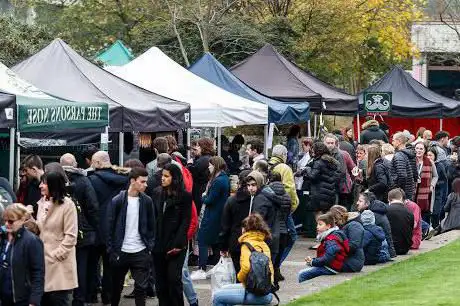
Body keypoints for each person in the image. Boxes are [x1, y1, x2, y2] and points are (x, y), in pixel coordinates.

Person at [107, 167, 155, 306]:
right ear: (133, 181)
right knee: (116, 288)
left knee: (141, 288)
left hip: (140, 251)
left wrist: (149, 247)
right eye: (142, 182)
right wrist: (112, 250)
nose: (146, 185)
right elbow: (110, 227)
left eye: (146, 182)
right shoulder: (118, 200)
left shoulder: (147, 201)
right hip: (121, 251)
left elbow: (152, 226)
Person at [87, 151, 129, 304]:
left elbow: (89, 205)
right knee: (111, 265)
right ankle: (108, 297)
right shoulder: (125, 180)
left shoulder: (91, 180)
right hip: (116, 227)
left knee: (92, 263)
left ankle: (91, 294)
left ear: (97, 163)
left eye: (92, 162)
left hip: (95, 227)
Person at [60, 154, 100, 306]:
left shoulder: (57, 180)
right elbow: (93, 206)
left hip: (61, 231)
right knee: (81, 266)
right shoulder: (84, 180)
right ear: (76, 164)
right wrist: (93, 226)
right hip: (83, 231)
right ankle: (79, 298)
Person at [212, 213, 274, 306]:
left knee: (217, 296)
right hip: (267, 291)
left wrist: (240, 278)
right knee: (224, 289)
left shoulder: (246, 245)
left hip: (254, 292)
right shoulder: (263, 244)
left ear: (245, 229)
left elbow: (246, 268)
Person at [37, 170, 78, 305]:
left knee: (59, 301)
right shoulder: (41, 203)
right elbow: (40, 229)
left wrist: (55, 255)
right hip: (43, 263)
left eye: (44, 183)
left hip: (60, 264)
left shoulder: (68, 205)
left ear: (53, 185)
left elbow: (71, 236)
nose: (40, 186)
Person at [153, 163, 192, 306]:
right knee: (161, 282)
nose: (162, 179)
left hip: (176, 243)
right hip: (159, 243)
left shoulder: (185, 196)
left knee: (173, 279)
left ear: (174, 178)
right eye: (162, 176)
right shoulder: (158, 193)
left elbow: (185, 221)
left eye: (166, 176)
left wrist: (178, 244)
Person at [192, 157, 230, 280]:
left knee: (202, 240)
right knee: (215, 242)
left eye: (210, 165)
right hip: (219, 215)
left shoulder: (218, 181)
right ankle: (216, 267)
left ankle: (202, 269)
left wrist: (203, 196)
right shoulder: (224, 178)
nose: (209, 167)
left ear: (216, 165)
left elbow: (209, 200)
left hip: (211, 215)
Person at [0, 204, 44, 306]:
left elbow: (38, 273)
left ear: (22, 220)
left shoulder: (32, 241)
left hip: (22, 299)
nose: (6, 224)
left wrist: (34, 301)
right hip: (4, 298)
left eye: (11, 221)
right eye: (5, 220)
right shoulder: (3, 237)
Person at [268, 145, 299, 263]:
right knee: (291, 236)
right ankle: (276, 264)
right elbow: (290, 189)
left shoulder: (263, 164)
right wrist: (294, 205)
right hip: (283, 207)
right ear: (283, 155)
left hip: (268, 206)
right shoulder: (284, 168)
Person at [298, 212, 348, 283]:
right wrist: (312, 261)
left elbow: (328, 258)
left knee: (302, 274)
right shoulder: (331, 236)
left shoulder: (331, 239)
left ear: (328, 226)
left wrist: (313, 262)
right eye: (317, 224)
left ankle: (305, 291)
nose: (317, 227)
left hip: (330, 268)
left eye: (320, 224)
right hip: (331, 266)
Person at [219, 170, 252, 274]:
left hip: (235, 242)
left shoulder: (231, 200)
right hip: (253, 242)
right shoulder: (256, 199)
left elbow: (225, 226)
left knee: (239, 273)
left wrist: (223, 246)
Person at [301, 142, 340, 214]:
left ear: (318, 151)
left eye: (313, 151)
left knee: (318, 217)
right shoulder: (331, 161)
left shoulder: (318, 162)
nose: (312, 153)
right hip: (330, 194)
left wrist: (307, 169)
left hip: (318, 195)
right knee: (327, 216)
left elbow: (312, 176)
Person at [355, 192, 396, 258]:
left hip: (383, 253)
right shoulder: (377, 211)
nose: (357, 203)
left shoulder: (371, 215)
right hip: (387, 251)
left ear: (367, 203)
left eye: (360, 201)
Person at [324, 134, 355, 211]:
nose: (330, 145)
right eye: (328, 143)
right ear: (324, 143)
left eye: (332, 143)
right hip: (330, 188)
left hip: (341, 187)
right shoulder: (323, 154)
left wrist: (352, 180)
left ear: (336, 143)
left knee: (341, 210)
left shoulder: (341, 154)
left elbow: (345, 171)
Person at [330, 206, 365, 272]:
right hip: (347, 259)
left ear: (337, 217)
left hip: (353, 262)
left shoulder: (354, 225)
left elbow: (353, 245)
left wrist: (336, 249)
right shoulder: (344, 225)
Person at [188, 138, 214, 214]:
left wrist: (189, 165)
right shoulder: (208, 158)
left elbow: (193, 172)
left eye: (198, 146)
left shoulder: (203, 160)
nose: (197, 148)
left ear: (203, 147)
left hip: (199, 191)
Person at [294, 137, 313, 236]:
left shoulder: (309, 157)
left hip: (303, 184)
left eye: (304, 146)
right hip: (300, 184)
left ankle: (304, 226)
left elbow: (305, 169)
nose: (303, 148)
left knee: (303, 205)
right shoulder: (305, 155)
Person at [414, 142, 438, 223]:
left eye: (421, 149)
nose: (418, 150)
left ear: (424, 150)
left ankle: (424, 231)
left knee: (423, 214)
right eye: (417, 148)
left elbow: (435, 176)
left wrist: (432, 185)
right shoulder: (411, 161)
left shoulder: (430, 162)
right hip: (412, 191)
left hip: (425, 193)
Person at [386, 188, 414, 255]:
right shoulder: (410, 213)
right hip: (405, 248)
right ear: (402, 199)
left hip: (390, 248)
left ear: (389, 199)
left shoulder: (386, 210)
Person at [391, 132, 417, 201]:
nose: (392, 142)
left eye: (393, 140)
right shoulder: (410, 154)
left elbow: (402, 175)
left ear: (399, 141)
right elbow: (415, 174)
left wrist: (398, 189)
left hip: (402, 192)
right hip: (409, 190)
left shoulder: (399, 155)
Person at [427, 147, 449, 228]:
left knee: (436, 212)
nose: (429, 157)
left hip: (438, 193)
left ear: (435, 156)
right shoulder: (425, 164)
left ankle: (437, 228)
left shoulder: (439, 166)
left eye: (431, 155)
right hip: (428, 194)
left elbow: (444, 180)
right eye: (427, 155)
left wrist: (433, 183)